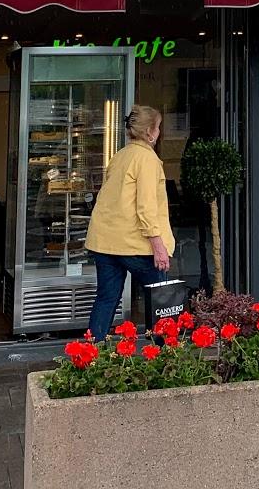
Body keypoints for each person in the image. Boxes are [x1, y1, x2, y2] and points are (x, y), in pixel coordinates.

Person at [85, 104, 174, 342]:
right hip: (135, 243)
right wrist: (158, 244)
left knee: (106, 298)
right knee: (160, 301)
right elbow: (145, 206)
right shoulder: (147, 159)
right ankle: (165, 355)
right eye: (158, 127)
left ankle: (89, 356)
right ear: (149, 132)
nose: (159, 132)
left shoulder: (119, 156)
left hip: (105, 242)